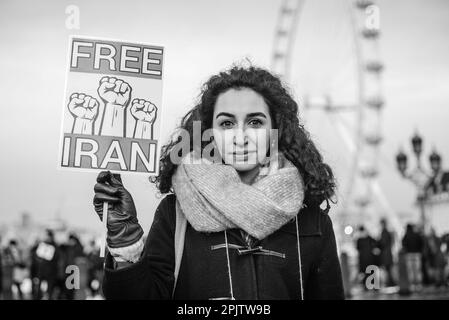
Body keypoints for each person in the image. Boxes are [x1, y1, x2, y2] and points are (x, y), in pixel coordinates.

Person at [93, 65, 344, 300]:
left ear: (275, 130)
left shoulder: (313, 223)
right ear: (209, 133)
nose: (241, 138)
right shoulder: (175, 214)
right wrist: (125, 240)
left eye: (255, 122)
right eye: (227, 124)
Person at [402, 224, 424, 291]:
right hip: (417, 254)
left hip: (409, 255)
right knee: (417, 270)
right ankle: (419, 285)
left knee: (410, 270)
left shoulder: (406, 236)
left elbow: (403, 244)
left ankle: (412, 286)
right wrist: (420, 251)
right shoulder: (417, 235)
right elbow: (421, 243)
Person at [355, 226, 377, 290]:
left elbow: (357, 248)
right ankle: (372, 285)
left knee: (366, 272)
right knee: (370, 272)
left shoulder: (359, 239)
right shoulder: (368, 238)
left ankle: (367, 286)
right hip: (369, 258)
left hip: (364, 259)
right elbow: (375, 243)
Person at [378, 218, 396, 287]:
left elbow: (383, 243)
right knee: (388, 269)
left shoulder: (384, 232)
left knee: (388, 269)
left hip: (386, 254)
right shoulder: (387, 232)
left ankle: (390, 282)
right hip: (388, 253)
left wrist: (378, 244)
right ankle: (390, 282)